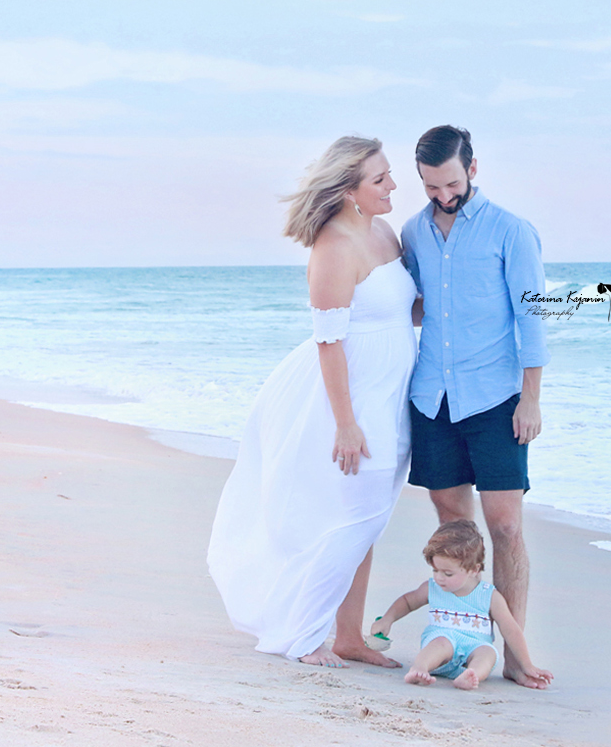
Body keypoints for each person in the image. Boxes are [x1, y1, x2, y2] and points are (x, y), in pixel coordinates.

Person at [208, 136, 417, 668]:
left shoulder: (385, 233)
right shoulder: (333, 247)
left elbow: (403, 313)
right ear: (349, 189)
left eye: (389, 174)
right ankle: (302, 634)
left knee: (371, 516)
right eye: (380, 178)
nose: (393, 184)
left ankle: (350, 637)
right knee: (354, 516)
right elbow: (330, 343)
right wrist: (345, 425)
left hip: (392, 392)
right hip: (348, 397)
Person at [398, 125, 550, 682]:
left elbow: (533, 319)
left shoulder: (512, 232)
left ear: (474, 169)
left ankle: (515, 655)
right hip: (432, 397)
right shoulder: (413, 232)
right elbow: (412, 307)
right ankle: (463, 640)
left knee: (505, 527)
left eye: (452, 183)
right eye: (431, 186)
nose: (443, 196)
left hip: (495, 398)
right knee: (453, 527)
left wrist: (530, 400)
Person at [370, 520, 552, 690]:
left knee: (487, 654)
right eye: (435, 570)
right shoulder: (432, 588)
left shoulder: (489, 596)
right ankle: (419, 669)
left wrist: (526, 664)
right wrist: (387, 619)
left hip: (475, 644)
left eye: (448, 573)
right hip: (442, 641)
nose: (439, 578)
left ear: (474, 570)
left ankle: (472, 676)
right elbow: (407, 602)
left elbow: (510, 629)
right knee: (439, 644)